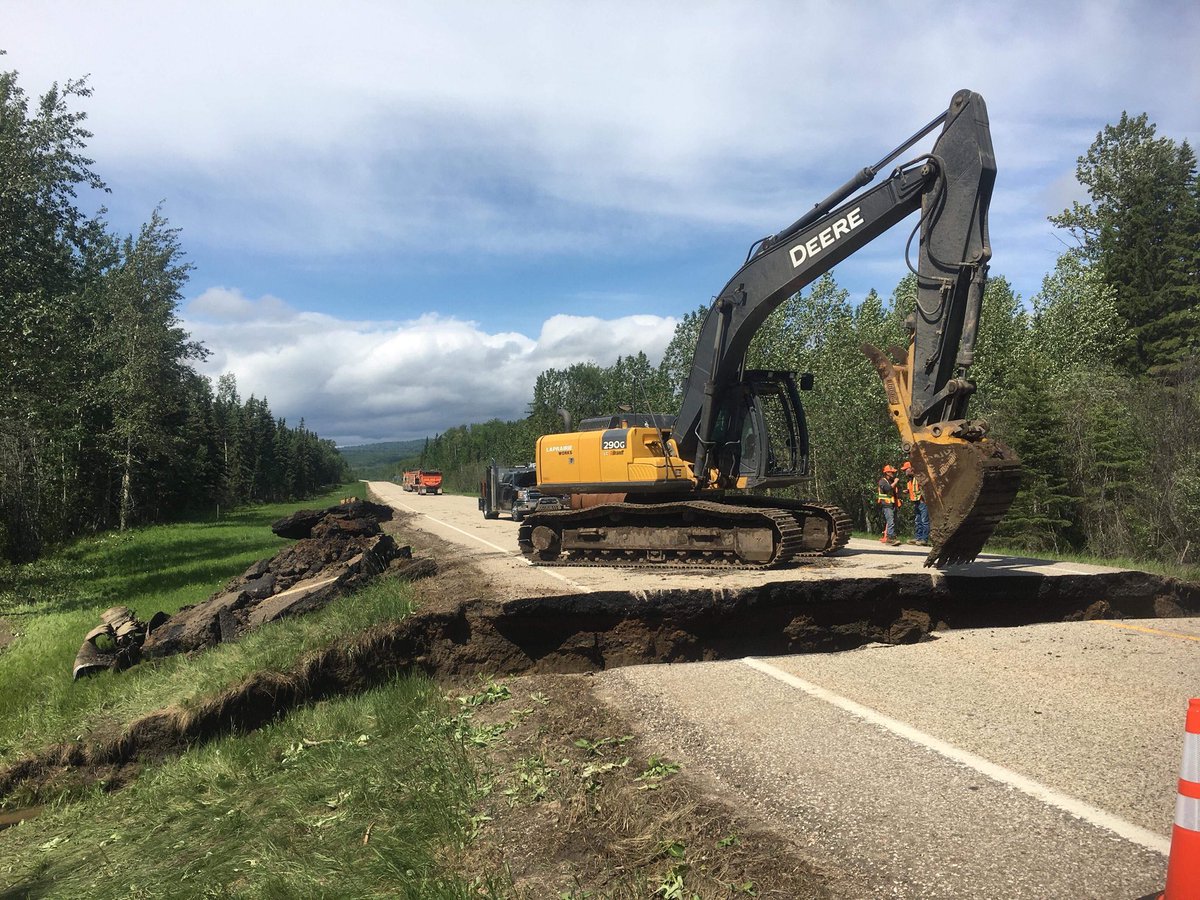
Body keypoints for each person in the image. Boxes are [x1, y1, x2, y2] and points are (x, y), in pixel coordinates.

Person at [902, 460, 929, 545]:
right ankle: (918, 538)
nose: (904, 472)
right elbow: (914, 489)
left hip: (922, 502)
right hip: (916, 502)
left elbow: (925, 488)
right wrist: (907, 491)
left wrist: (923, 498)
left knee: (924, 521)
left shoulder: (919, 477)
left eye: (905, 470)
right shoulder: (910, 480)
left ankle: (924, 539)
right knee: (918, 520)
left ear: (911, 469)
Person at [876, 465, 902, 545]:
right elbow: (887, 489)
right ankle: (890, 538)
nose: (894, 473)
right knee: (890, 521)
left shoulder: (891, 481)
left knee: (892, 521)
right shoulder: (883, 481)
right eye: (892, 472)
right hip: (886, 504)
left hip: (892, 504)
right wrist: (895, 482)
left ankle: (890, 536)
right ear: (887, 473)